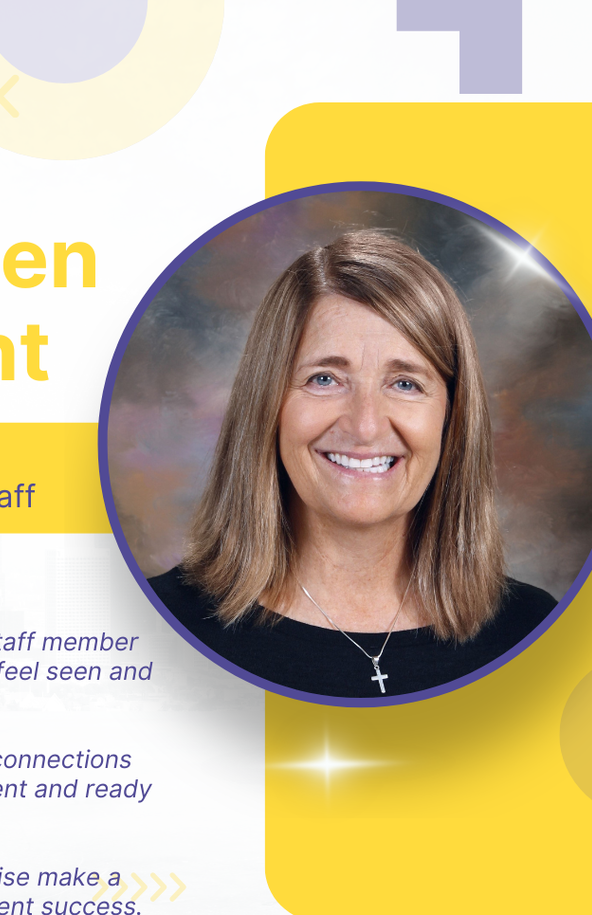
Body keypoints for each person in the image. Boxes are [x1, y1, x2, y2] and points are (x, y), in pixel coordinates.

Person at [149, 231, 556, 697]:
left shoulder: (534, 631)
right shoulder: (155, 630)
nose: (365, 427)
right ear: (269, 404)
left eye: (405, 384)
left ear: (452, 416)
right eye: (325, 379)